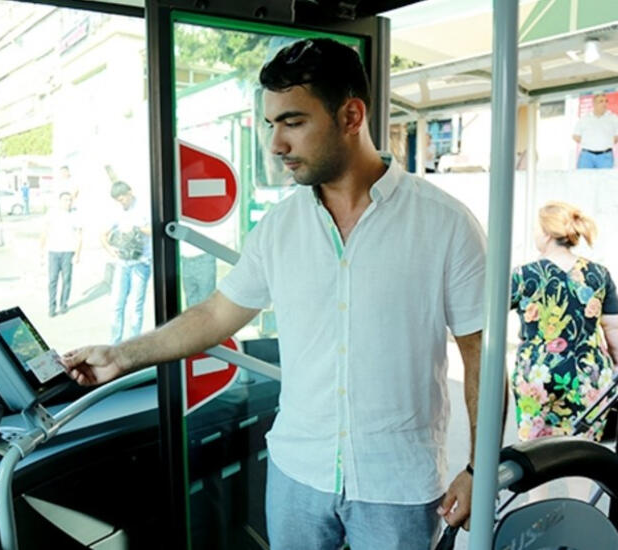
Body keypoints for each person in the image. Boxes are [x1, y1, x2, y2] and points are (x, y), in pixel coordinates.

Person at [63, 38, 486, 550]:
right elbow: (216, 313)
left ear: (351, 116)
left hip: (397, 486)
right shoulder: (278, 228)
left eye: (293, 122)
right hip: (296, 475)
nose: (275, 144)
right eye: (271, 125)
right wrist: (121, 356)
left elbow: (480, 356)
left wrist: (479, 468)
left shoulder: (445, 224)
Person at [510, 202, 618, 496]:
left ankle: (539, 513)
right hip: (589, 378)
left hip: (537, 378)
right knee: (583, 455)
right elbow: (613, 329)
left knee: (535, 455)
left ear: (546, 232)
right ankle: (580, 513)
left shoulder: (524, 275)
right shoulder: (599, 274)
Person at [102, 181, 151, 344]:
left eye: (122, 199)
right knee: (117, 304)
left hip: (141, 263)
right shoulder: (117, 212)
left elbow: (154, 230)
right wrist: (110, 249)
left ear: (130, 192)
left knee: (136, 306)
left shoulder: (144, 208)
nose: (121, 203)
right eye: (118, 200)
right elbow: (102, 235)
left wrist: (137, 228)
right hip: (122, 264)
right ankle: (115, 343)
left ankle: (133, 344)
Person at [41, 192, 82, 317]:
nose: (68, 202)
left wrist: (77, 254)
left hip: (68, 252)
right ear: (59, 201)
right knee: (52, 280)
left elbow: (79, 236)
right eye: (65, 200)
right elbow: (44, 232)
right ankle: (51, 307)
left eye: (70, 200)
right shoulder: (52, 214)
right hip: (53, 252)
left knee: (66, 279)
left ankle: (63, 304)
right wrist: (41, 251)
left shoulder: (75, 215)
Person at [573, 93, 618, 169]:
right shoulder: (585, 119)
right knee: (583, 176)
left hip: (605, 156)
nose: (604, 103)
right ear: (594, 103)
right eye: (601, 101)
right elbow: (576, 136)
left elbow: (617, 136)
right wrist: (590, 143)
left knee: (605, 177)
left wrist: (604, 143)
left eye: (606, 101)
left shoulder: (613, 118)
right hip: (586, 156)